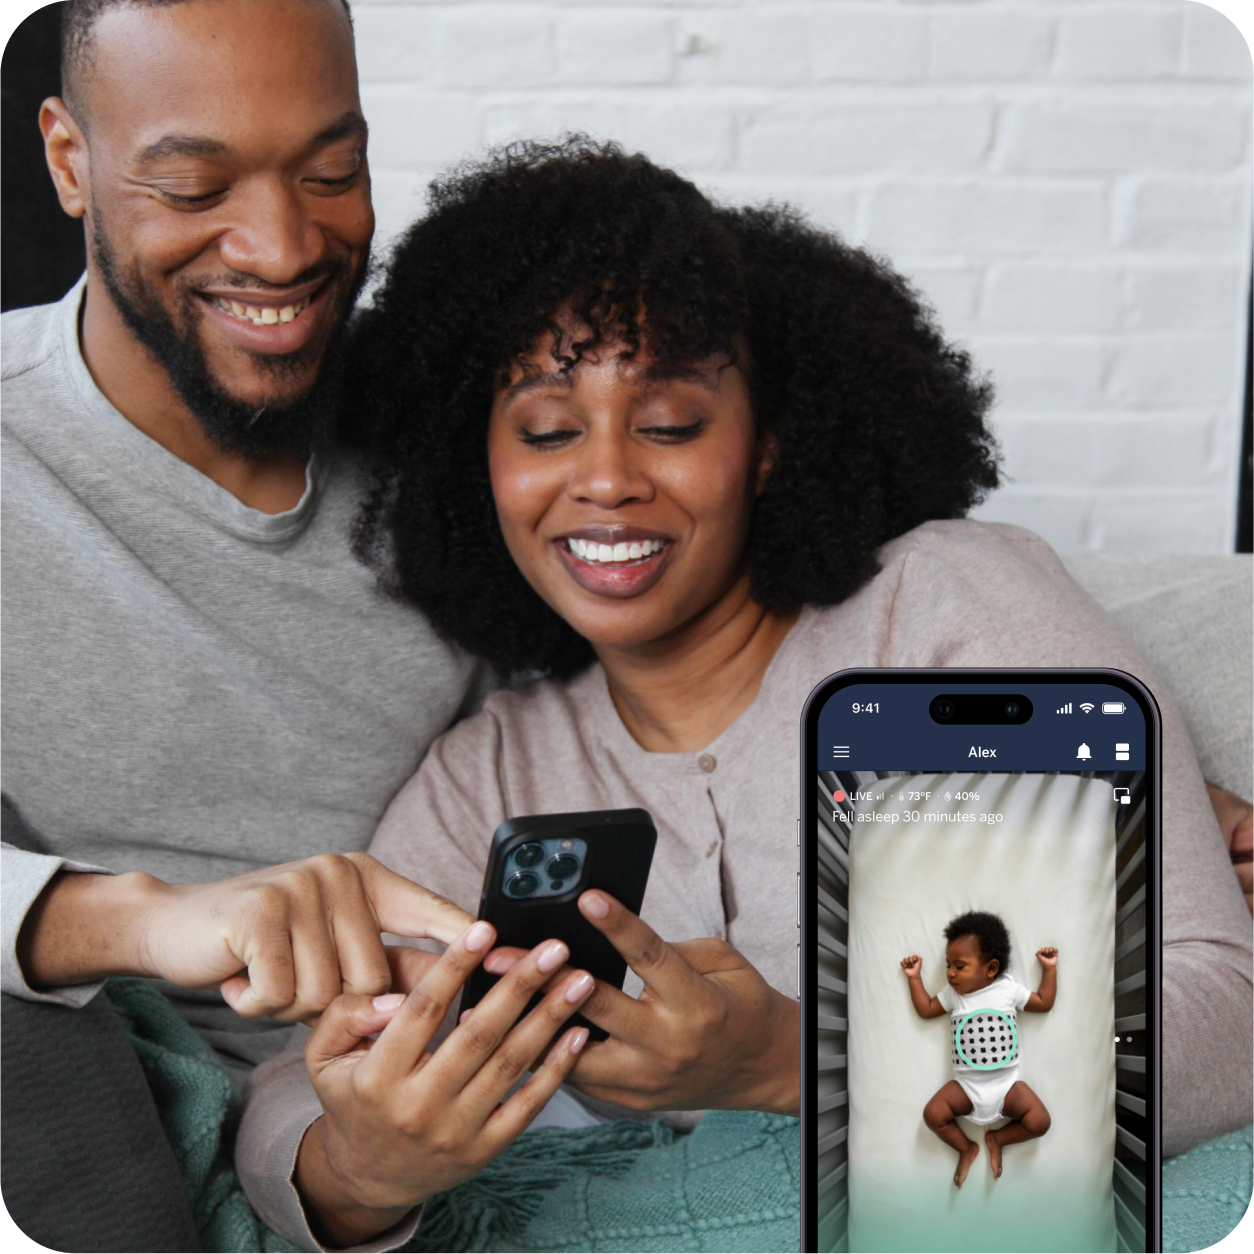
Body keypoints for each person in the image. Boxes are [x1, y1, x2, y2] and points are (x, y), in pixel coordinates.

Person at [231, 137, 1254, 1252]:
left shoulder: (946, 610)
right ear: (474, 464)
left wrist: (786, 1060)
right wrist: (363, 1166)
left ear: (767, 447)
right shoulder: (495, 773)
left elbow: (1228, 1017)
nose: (609, 475)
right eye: (545, 428)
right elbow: (293, 1087)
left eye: (669, 423)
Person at [1, 4, 584, 1251]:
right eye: (194, 184)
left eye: (333, 174)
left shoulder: (467, 445)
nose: (280, 249)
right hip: (109, 1146)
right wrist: (139, 917)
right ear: (68, 160)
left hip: (429, 1143)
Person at [902, 913, 1055, 1188]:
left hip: (1007, 1085)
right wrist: (914, 978)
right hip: (967, 1085)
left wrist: (1049, 969)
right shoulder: (953, 994)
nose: (950, 973)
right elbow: (926, 1009)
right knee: (933, 1114)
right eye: (949, 965)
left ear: (991, 968)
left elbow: (1043, 1002)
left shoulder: (1008, 989)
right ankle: (965, 1148)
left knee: (1040, 1121)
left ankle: (999, 1138)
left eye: (959, 966)